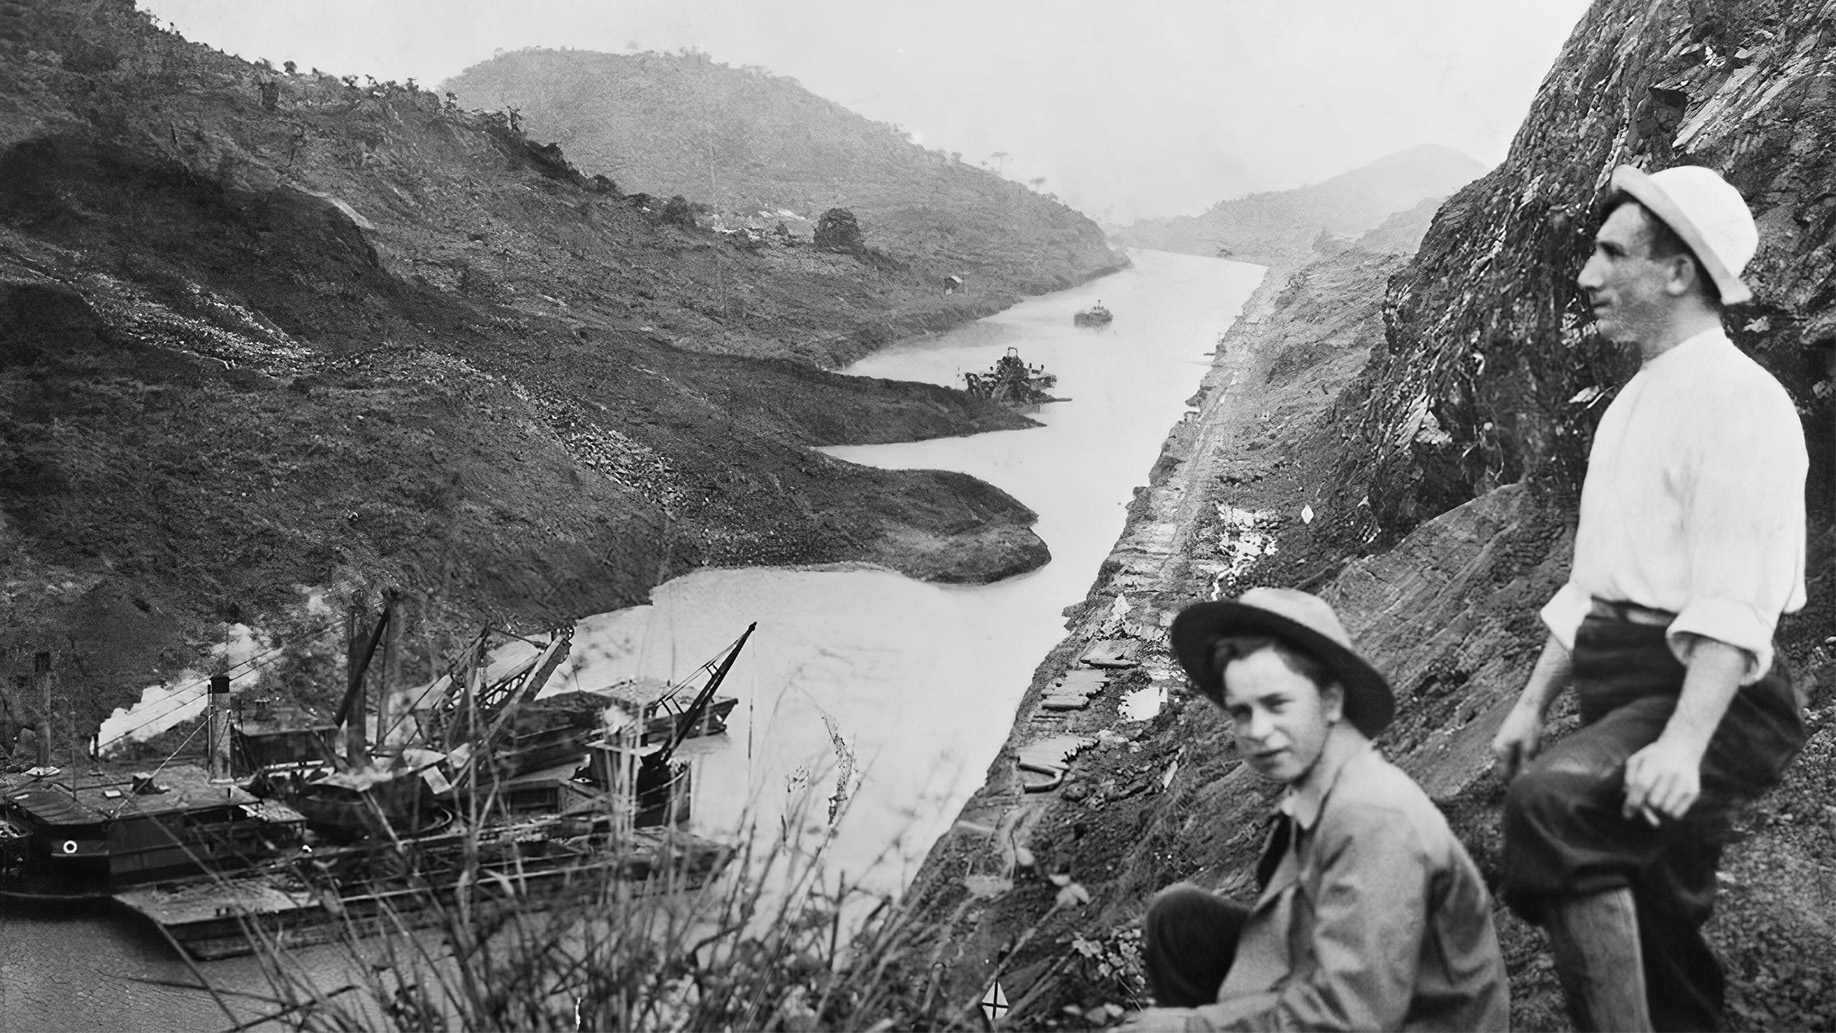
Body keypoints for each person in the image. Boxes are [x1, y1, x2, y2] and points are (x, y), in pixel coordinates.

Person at [1490, 164, 1809, 1032]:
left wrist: (1682, 743)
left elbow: (1736, 601)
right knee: (1660, 909)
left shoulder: (1743, 403)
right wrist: (1531, 703)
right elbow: (1597, 581)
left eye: (1610, 253)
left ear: (1677, 273)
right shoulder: (1634, 402)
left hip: (1711, 694)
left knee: (1552, 806)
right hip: (1625, 680)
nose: (1587, 276)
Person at [1126, 587, 1509, 1031]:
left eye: (1276, 704)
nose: (1257, 731)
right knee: (1179, 920)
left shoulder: (1372, 819)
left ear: (1330, 701)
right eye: (1241, 712)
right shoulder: (1322, 783)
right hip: (1345, 983)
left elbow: (1353, 1016)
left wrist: (1191, 1028)